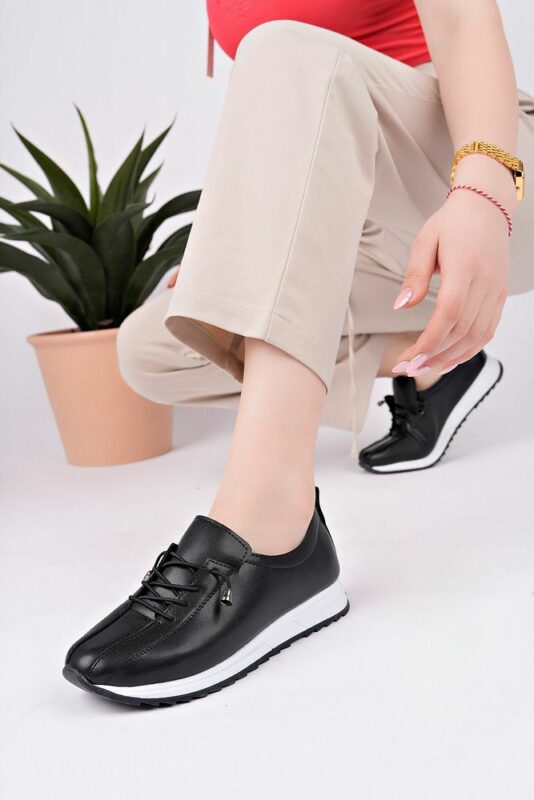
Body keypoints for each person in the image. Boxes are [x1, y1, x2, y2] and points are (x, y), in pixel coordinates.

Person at [62, 1, 534, 706]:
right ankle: (435, 357)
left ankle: (272, 525)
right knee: (152, 349)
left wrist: (482, 191)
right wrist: (239, 249)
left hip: (480, 164)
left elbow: (465, 22)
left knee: (284, 49)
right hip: (372, 227)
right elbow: (282, 138)